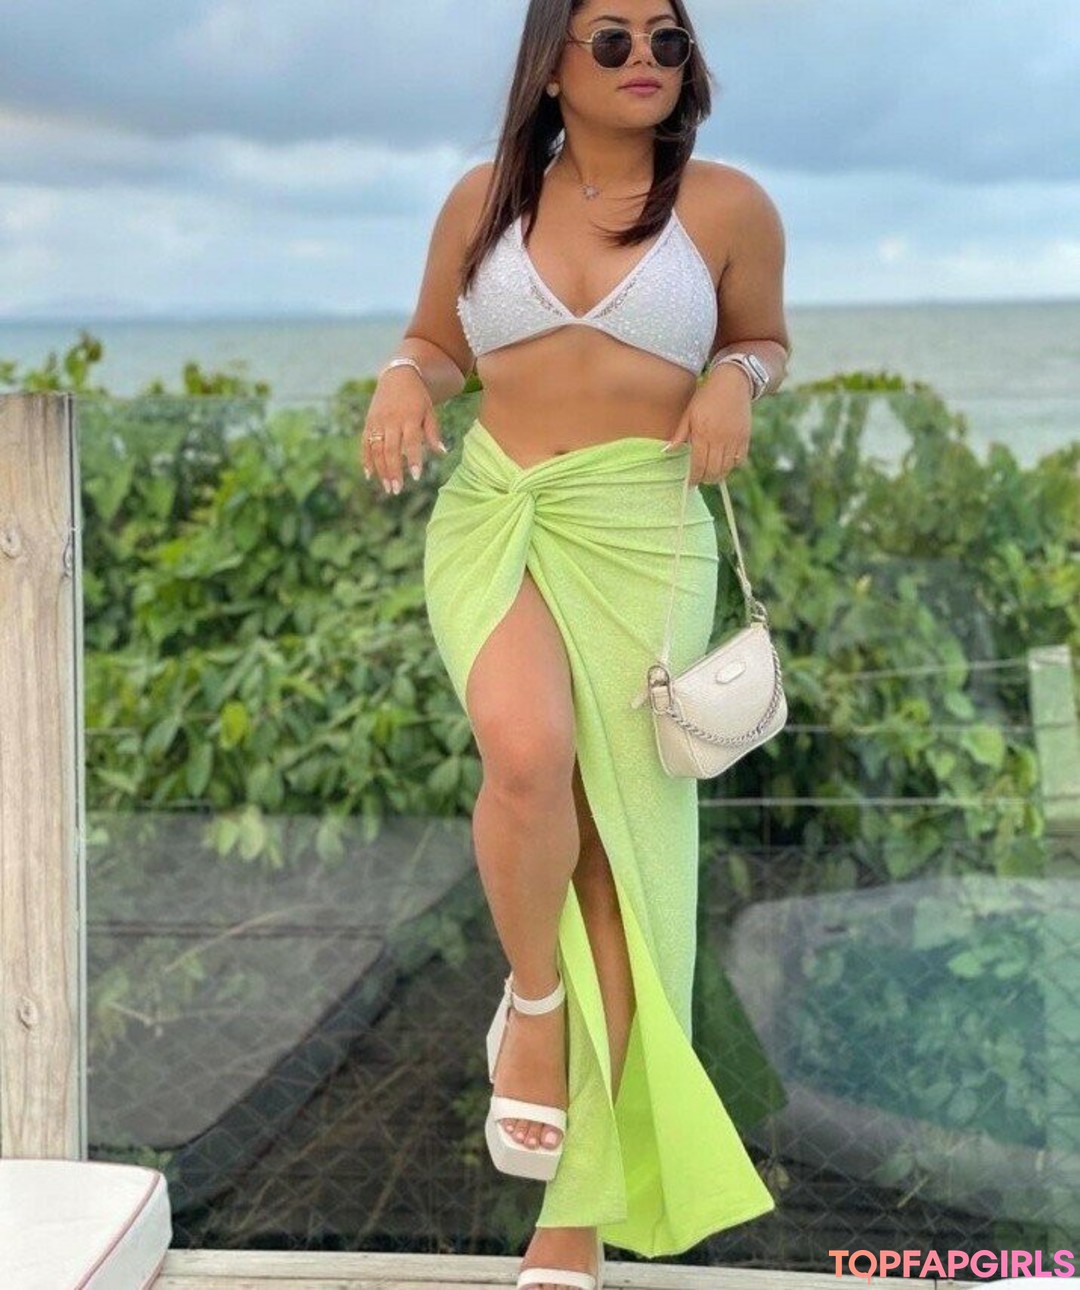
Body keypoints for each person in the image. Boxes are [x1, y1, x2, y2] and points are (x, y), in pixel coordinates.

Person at [361, 2, 790, 1287]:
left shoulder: (727, 205)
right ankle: (533, 1003)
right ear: (552, 62)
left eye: (665, 40)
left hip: (643, 533)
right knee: (528, 754)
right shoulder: (485, 197)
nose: (644, 60)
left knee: (618, 863)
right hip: (498, 510)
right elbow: (438, 344)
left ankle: (572, 1221)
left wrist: (734, 379)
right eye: (612, 40)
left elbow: (760, 338)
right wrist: (403, 378)